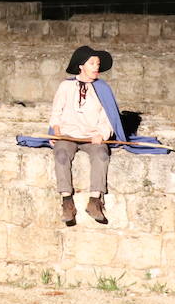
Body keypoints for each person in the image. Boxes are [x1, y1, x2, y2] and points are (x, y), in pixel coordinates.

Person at [48, 45, 123, 226]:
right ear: (81, 66)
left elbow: (108, 118)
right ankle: (67, 202)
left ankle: (95, 201)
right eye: (92, 63)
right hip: (68, 135)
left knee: (101, 155)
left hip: (92, 137)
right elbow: (56, 113)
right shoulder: (66, 86)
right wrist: (56, 131)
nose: (96, 67)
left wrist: (101, 134)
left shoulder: (102, 88)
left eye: (98, 63)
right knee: (61, 154)